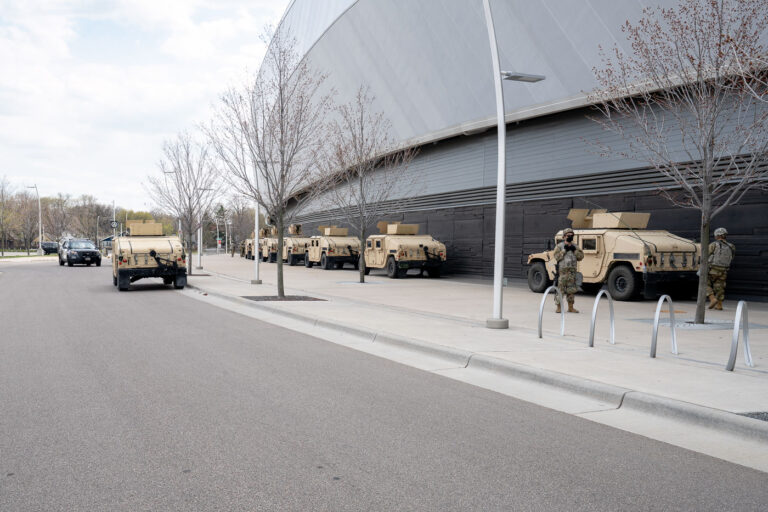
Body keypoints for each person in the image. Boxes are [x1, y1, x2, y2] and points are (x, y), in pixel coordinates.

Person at [553, 227, 584, 313]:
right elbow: (556, 257)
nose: (570, 236)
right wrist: (564, 251)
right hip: (563, 272)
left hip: (572, 272)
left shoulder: (575, 247)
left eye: (571, 235)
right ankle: (558, 307)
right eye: (568, 235)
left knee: (571, 290)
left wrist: (575, 251)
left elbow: (581, 257)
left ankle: (571, 307)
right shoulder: (559, 246)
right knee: (560, 290)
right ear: (564, 237)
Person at [706, 227, 735, 311]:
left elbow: (705, 256)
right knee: (720, 286)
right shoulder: (731, 246)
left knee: (704, 283)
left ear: (717, 236)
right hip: (724, 270)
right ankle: (719, 305)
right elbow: (732, 257)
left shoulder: (713, 244)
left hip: (712, 269)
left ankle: (712, 299)